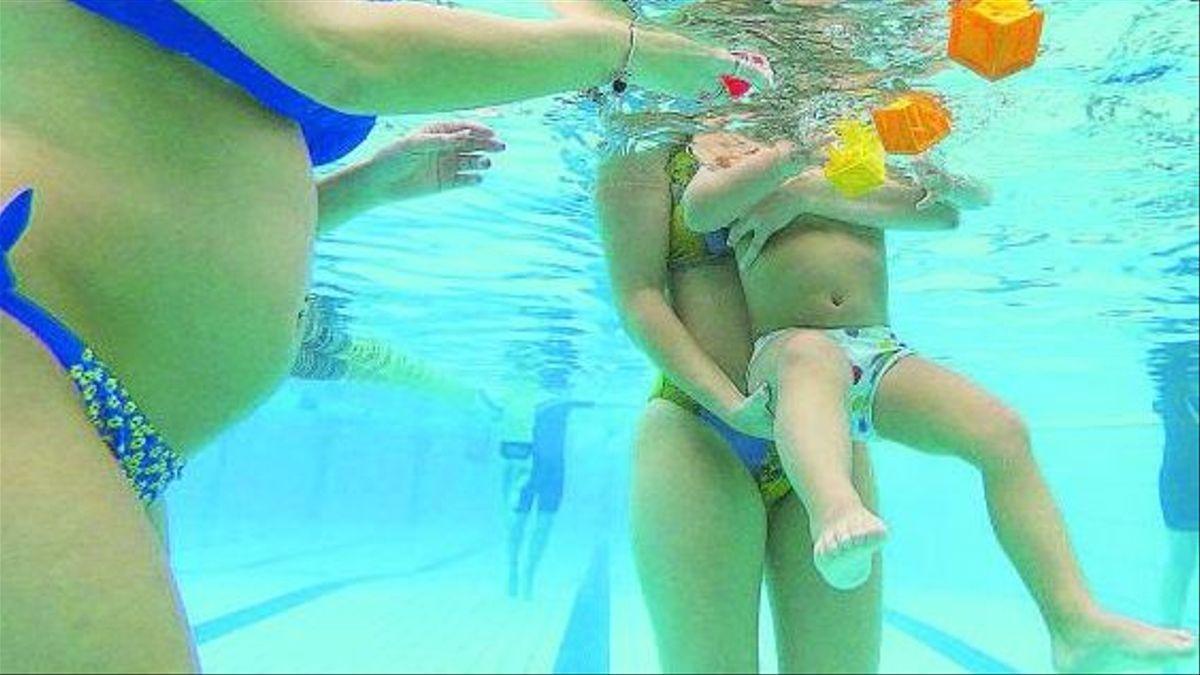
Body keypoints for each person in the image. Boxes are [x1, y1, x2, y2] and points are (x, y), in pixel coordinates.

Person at [0, 0, 766, 670]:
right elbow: (344, 55)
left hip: (94, 409)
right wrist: (625, 47)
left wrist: (364, 188)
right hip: (23, 363)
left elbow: (166, 154)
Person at [625, 122, 1197, 672]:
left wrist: (807, 191)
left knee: (1001, 432)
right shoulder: (735, 129)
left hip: (869, 360)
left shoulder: (850, 137)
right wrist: (791, 158)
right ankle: (835, 510)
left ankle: (1076, 625)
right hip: (779, 370)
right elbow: (699, 211)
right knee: (812, 359)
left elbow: (943, 210)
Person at [501, 399, 595, 600]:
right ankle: (513, 568)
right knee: (518, 523)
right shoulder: (535, 398)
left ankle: (529, 574)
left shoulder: (567, 399)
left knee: (543, 526)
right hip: (528, 469)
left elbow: (596, 400)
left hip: (553, 472)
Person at [1149, 340, 1199, 638]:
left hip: (1177, 479)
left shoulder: (1173, 389)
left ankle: (1168, 633)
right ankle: (1167, 633)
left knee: (1180, 560)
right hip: (1181, 482)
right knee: (1181, 559)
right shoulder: (1175, 389)